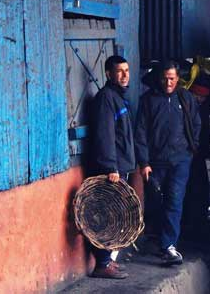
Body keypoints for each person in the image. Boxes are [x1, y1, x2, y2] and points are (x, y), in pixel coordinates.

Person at [135, 60, 202, 266]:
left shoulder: (186, 98)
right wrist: (144, 162)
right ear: (158, 78)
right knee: (155, 200)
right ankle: (155, 236)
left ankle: (168, 246)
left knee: (175, 200)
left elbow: (196, 123)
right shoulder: (148, 100)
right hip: (155, 162)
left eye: (172, 78)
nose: (168, 82)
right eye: (165, 78)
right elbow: (140, 133)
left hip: (181, 160)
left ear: (178, 79)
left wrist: (191, 149)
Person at [87, 55, 135, 279]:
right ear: (108, 74)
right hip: (111, 170)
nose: (125, 75)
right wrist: (110, 167)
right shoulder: (106, 98)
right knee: (107, 216)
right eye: (119, 71)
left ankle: (107, 261)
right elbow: (104, 135)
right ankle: (102, 264)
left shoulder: (118, 97)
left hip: (121, 165)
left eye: (127, 70)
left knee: (115, 215)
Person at [181, 57, 210, 230]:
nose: (199, 99)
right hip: (183, 153)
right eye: (197, 95)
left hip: (198, 153)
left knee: (198, 189)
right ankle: (190, 223)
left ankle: (198, 222)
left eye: (202, 96)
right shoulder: (182, 105)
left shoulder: (203, 107)